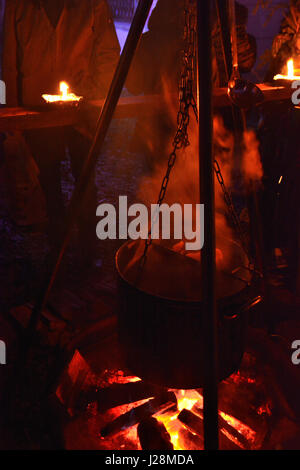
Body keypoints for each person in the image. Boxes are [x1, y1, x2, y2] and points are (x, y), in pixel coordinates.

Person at [2, 0, 120, 265]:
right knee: (49, 182)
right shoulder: (19, 7)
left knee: (86, 179)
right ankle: (58, 248)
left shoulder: (92, 5)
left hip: (83, 110)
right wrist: (15, 121)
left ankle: (89, 249)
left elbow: (108, 54)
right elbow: (10, 62)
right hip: (38, 112)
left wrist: (93, 94)